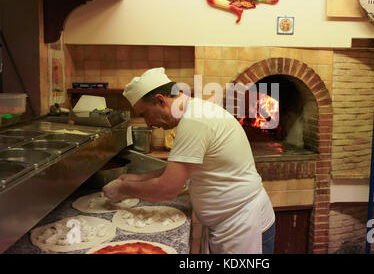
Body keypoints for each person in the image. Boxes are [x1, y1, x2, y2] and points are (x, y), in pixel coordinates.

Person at [102, 67, 276, 254]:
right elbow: (180, 168)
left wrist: (123, 189)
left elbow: (167, 189)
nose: (148, 124)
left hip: (243, 227)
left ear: (161, 100)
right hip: (230, 224)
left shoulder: (195, 121)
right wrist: (139, 178)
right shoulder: (195, 112)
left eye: (144, 114)